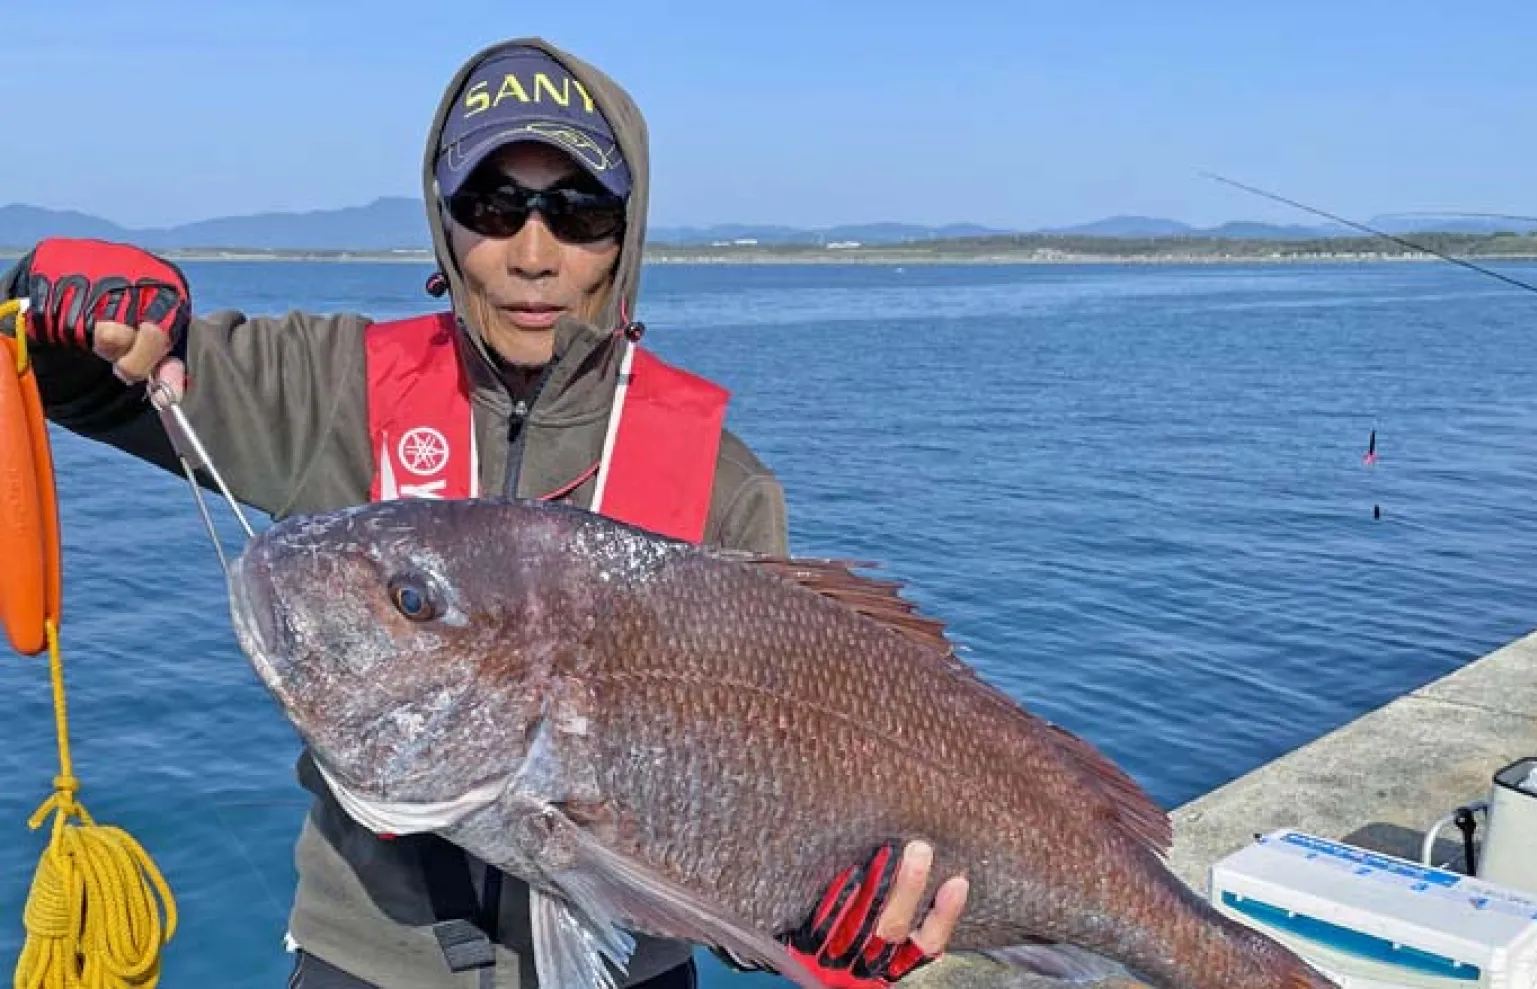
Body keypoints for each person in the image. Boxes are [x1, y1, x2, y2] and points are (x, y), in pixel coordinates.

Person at [1, 35, 969, 989]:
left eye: (579, 210)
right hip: (365, 962)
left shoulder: (723, 480)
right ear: (445, 220)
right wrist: (50, 303)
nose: (534, 254)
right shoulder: (337, 385)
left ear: (623, 233)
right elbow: (104, 375)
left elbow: (763, 817)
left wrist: (822, 914)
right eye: (494, 206)